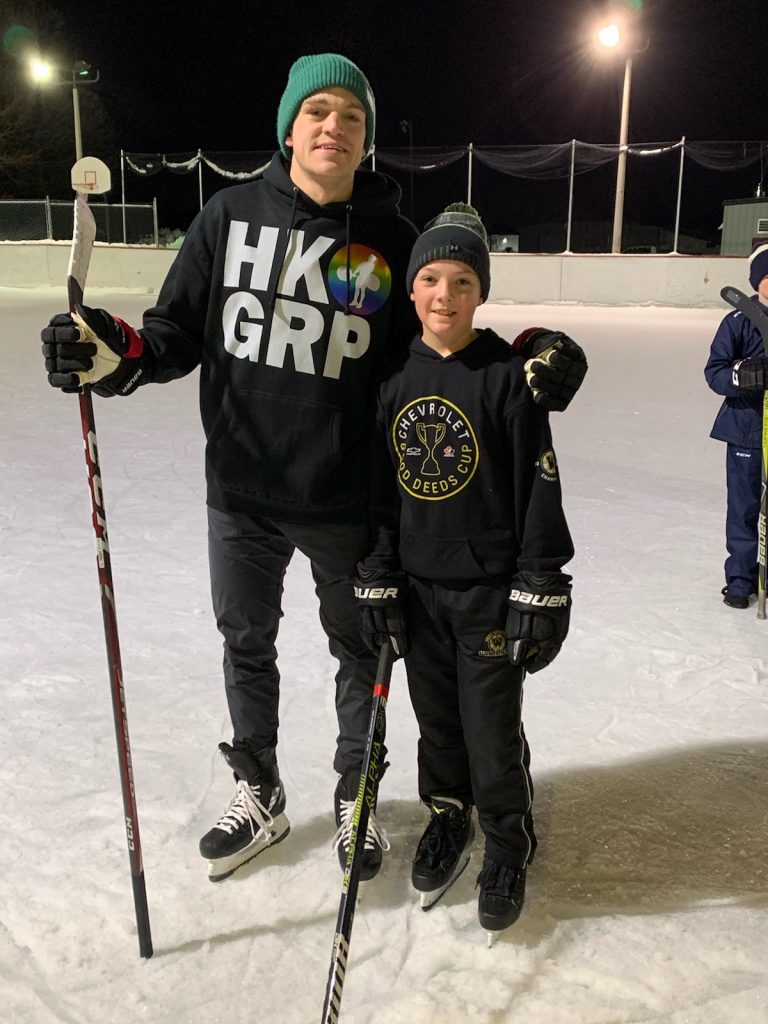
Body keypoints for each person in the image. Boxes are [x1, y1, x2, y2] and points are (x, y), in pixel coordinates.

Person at [41, 55, 587, 886]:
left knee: (359, 653)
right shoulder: (226, 216)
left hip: (343, 499)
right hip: (242, 491)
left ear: (364, 141)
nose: (334, 127)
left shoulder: (393, 244)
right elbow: (170, 334)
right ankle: (258, 787)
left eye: (352, 118)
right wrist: (113, 350)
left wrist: (530, 354)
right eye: (319, 112)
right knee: (245, 642)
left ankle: (354, 792)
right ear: (289, 127)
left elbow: (443, 340)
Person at [355, 203, 574, 935]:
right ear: (410, 292)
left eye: (461, 280)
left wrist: (541, 584)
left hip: (487, 595)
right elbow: (380, 496)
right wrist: (380, 575)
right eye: (430, 279)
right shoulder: (390, 381)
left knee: (489, 731)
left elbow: (536, 486)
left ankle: (508, 839)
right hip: (420, 593)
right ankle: (448, 815)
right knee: (438, 726)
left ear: (480, 293)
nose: (444, 295)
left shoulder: (510, 378)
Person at [705, 241, 768, 609]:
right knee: (744, 507)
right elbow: (714, 373)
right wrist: (744, 374)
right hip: (745, 427)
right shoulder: (737, 322)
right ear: (756, 280)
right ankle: (742, 578)